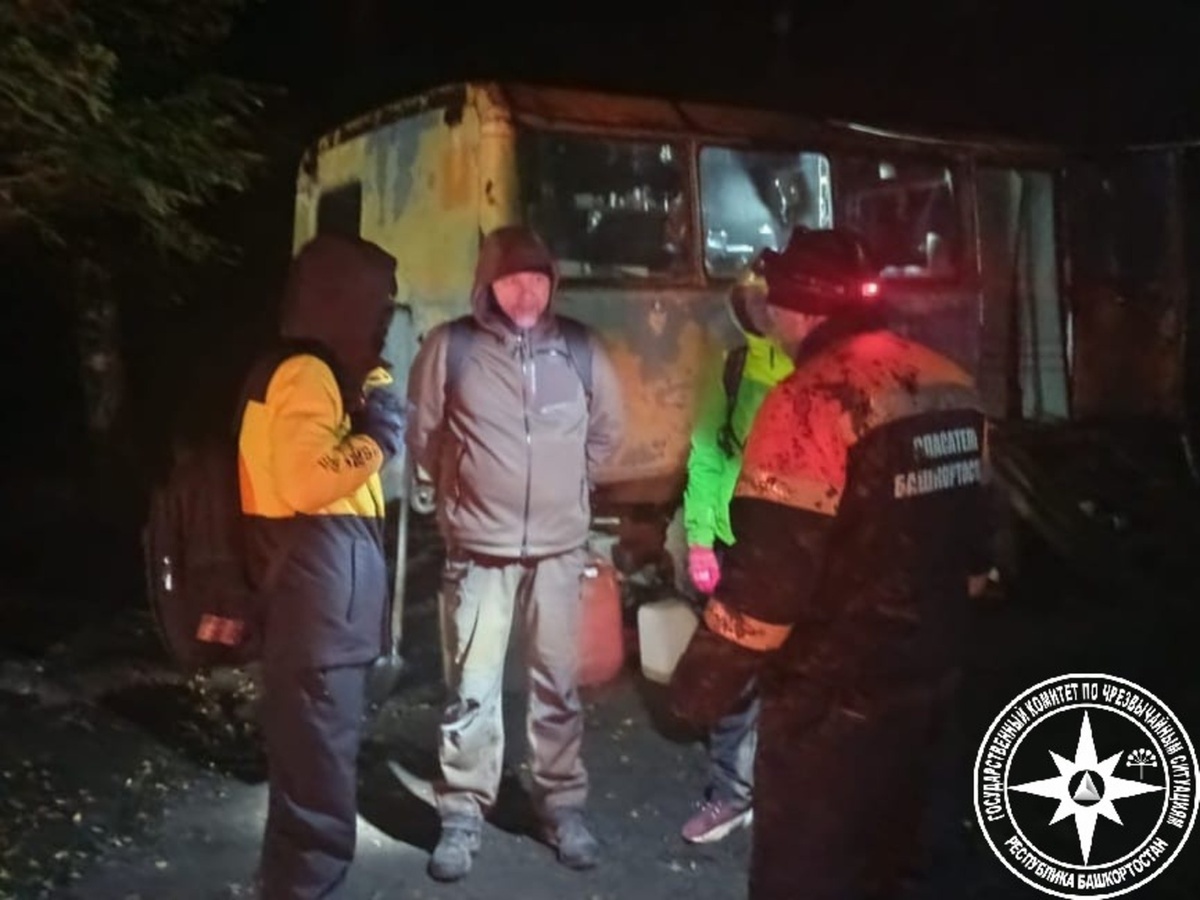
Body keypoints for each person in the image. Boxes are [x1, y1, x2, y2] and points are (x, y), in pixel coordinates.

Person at [669, 228, 993, 899]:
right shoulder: (950, 380)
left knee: (811, 876)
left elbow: (769, 582)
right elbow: (979, 544)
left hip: (834, 707)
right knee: (907, 864)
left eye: (775, 302)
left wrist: (700, 687)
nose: (770, 316)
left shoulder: (811, 400)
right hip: (935, 684)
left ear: (800, 309)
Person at [406, 224, 624, 882]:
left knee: (557, 684)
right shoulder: (452, 348)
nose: (526, 293)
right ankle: (462, 811)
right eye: (511, 281)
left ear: (552, 283)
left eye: (536, 280)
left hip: (559, 551)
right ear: (487, 286)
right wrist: (463, 496)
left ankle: (561, 806)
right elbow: (425, 434)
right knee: (472, 688)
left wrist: (567, 490)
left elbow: (607, 434)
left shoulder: (581, 348)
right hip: (479, 550)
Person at [237, 232, 406, 900]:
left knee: (305, 775)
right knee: (320, 787)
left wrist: (368, 391)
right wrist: (380, 435)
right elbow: (311, 481)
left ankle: (285, 884)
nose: (384, 320)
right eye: (379, 305)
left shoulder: (300, 367)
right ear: (343, 301)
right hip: (317, 615)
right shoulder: (304, 372)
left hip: (310, 607)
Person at [678, 258, 794, 844]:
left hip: (805, 545)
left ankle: (796, 795)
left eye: (772, 300)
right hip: (738, 543)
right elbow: (706, 454)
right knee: (734, 676)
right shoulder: (732, 367)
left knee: (807, 676)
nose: (763, 312)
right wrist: (700, 539)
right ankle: (731, 793)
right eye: (753, 301)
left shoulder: (817, 372)